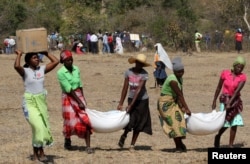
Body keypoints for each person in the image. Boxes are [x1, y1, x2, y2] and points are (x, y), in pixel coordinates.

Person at [14, 50, 59, 162]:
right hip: (29, 102)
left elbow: (56, 61)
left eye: (37, 57)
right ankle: (41, 152)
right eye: (34, 58)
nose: (37, 59)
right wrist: (19, 54)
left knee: (41, 127)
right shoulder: (25, 71)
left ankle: (37, 153)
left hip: (41, 101)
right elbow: (16, 66)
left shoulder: (42, 69)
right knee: (38, 126)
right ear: (28, 61)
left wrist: (46, 53)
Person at [56, 50, 94, 154]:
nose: (70, 62)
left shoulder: (76, 69)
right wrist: (78, 101)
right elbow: (68, 88)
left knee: (85, 119)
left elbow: (80, 84)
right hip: (68, 97)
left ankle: (88, 146)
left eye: (71, 59)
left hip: (78, 95)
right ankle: (67, 140)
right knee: (69, 121)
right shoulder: (60, 73)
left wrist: (83, 99)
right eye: (67, 60)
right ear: (63, 61)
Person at [117, 53, 152, 152]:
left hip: (142, 101)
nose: (139, 65)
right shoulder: (128, 72)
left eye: (141, 63)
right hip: (130, 98)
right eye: (138, 62)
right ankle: (124, 135)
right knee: (130, 120)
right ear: (135, 62)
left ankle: (132, 144)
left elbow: (139, 90)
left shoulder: (144, 74)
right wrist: (121, 103)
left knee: (139, 123)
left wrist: (131, 105)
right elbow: (125, 88)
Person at [157, 57, 191, 152]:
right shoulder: (173, 80)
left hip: (174, 102)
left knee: (180, 121)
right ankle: (178, 146)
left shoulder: (180, 79)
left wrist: (182, 106)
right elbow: (179, 95)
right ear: (174, 72)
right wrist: (187, 108)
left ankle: (180, 144)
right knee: (174, 123)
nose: (181, 73)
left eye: (182, 71)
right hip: (165, 104)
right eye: (178, 72)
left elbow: (181, 94)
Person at [212, 56, 247, 148]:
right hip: (225, 100)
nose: (239, 69)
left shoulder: (242, 77)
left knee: (235, 122)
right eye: (238, 67)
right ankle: (218, 136)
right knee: (226, 122)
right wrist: (214, 100)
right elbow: (219, 87)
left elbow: (236, 92)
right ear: (234, 65)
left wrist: (230, 103)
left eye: (241, 68)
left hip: (235, 101)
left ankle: (230, 145)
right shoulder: (225, 73)